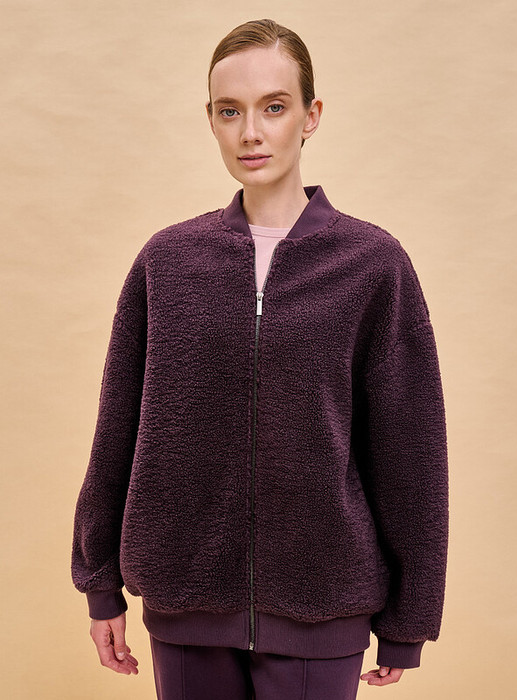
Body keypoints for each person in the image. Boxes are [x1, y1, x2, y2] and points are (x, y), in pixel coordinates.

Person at [71, 18, 449, 700]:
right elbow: (118, 430)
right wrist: (100, 583)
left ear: (311, 116)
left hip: (324, 604)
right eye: (230, 111)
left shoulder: (372, 265)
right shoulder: (168, 263)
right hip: (186, 599)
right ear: (211, 121)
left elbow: (410, 453)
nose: (251, 132)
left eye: (273, 107)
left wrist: (408, 621)